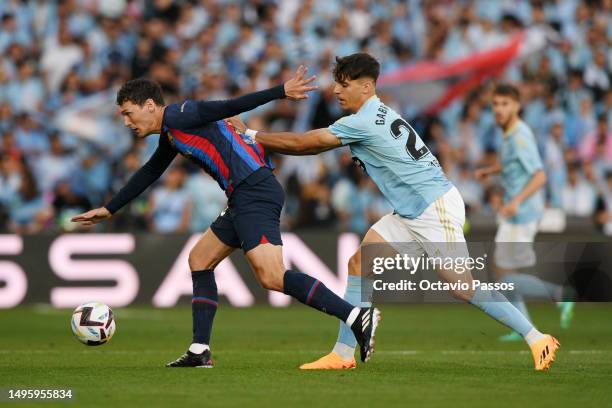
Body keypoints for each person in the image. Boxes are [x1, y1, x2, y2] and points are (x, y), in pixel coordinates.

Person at [228, 53, 559, 371]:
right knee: (359, 262)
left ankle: (537, 338)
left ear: (367, 87)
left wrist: (252, 135)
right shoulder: (379, 113)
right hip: (413, 209)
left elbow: (305, 144)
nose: (336, 90)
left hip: (433, 207)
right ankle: (343, 352)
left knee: (462, 287)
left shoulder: (363, 121)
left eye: (344, 84)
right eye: (337, 83)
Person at [71, 66, 379, 368]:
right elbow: (151, 171)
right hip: (242, 194)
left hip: (255, 190)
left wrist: (280, 91)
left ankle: (354, 316)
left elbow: (229, 106)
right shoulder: (172, 132)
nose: (126, 121)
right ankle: (199, 350)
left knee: (271, 276)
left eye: (128, 113)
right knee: (199, 259)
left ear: (149, 106)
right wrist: (111, 208)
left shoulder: (182, 114)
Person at [476, 84, 574, 342]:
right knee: (501, 274)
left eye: (505, 104)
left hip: (523, 212)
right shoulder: (509, 134)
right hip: (515, 212)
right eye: (496, 104)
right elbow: (512, 164)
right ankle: (523, 325)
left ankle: (559, 294)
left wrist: (517, 200)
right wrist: (491, 170)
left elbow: (540, 176)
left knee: (504, 276)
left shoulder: (520, 135)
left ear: (517, 106)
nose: (499, 109)